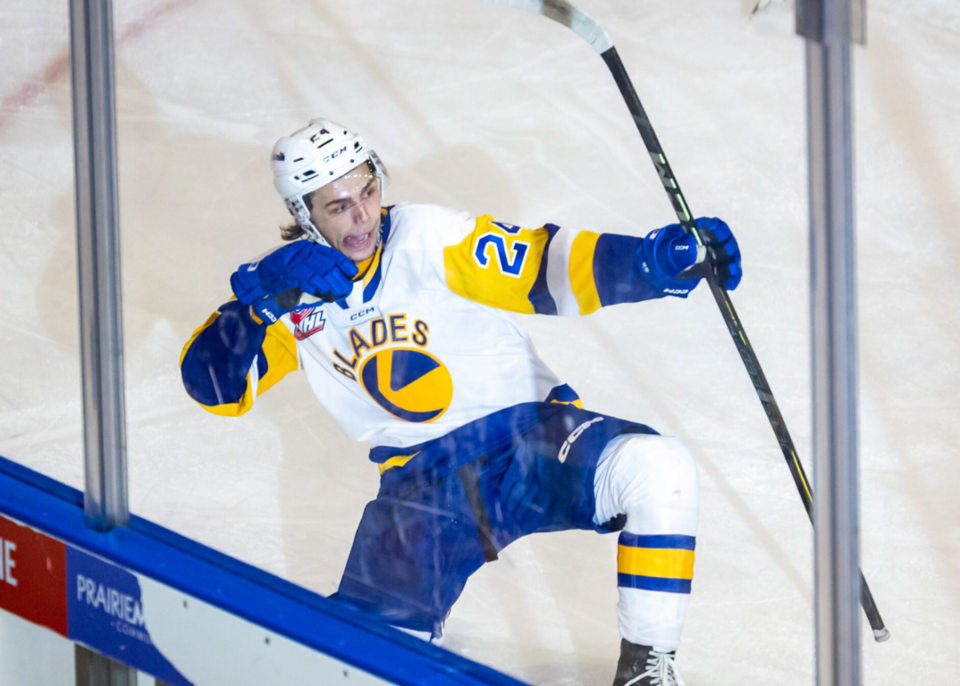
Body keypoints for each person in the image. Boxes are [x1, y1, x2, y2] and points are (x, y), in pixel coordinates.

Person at [180, 119, 742, 686]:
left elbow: (543, 267)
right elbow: (217, 392)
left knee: (657, 467)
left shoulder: (430, 237)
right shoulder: (287, 298)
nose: (362, 218)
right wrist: (254, 305)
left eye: (369, 191)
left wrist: (650, 264)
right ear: (303, 214)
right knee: (358, 665)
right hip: (420, 486)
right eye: (338, 206)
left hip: (528, 440)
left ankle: (647, 671)